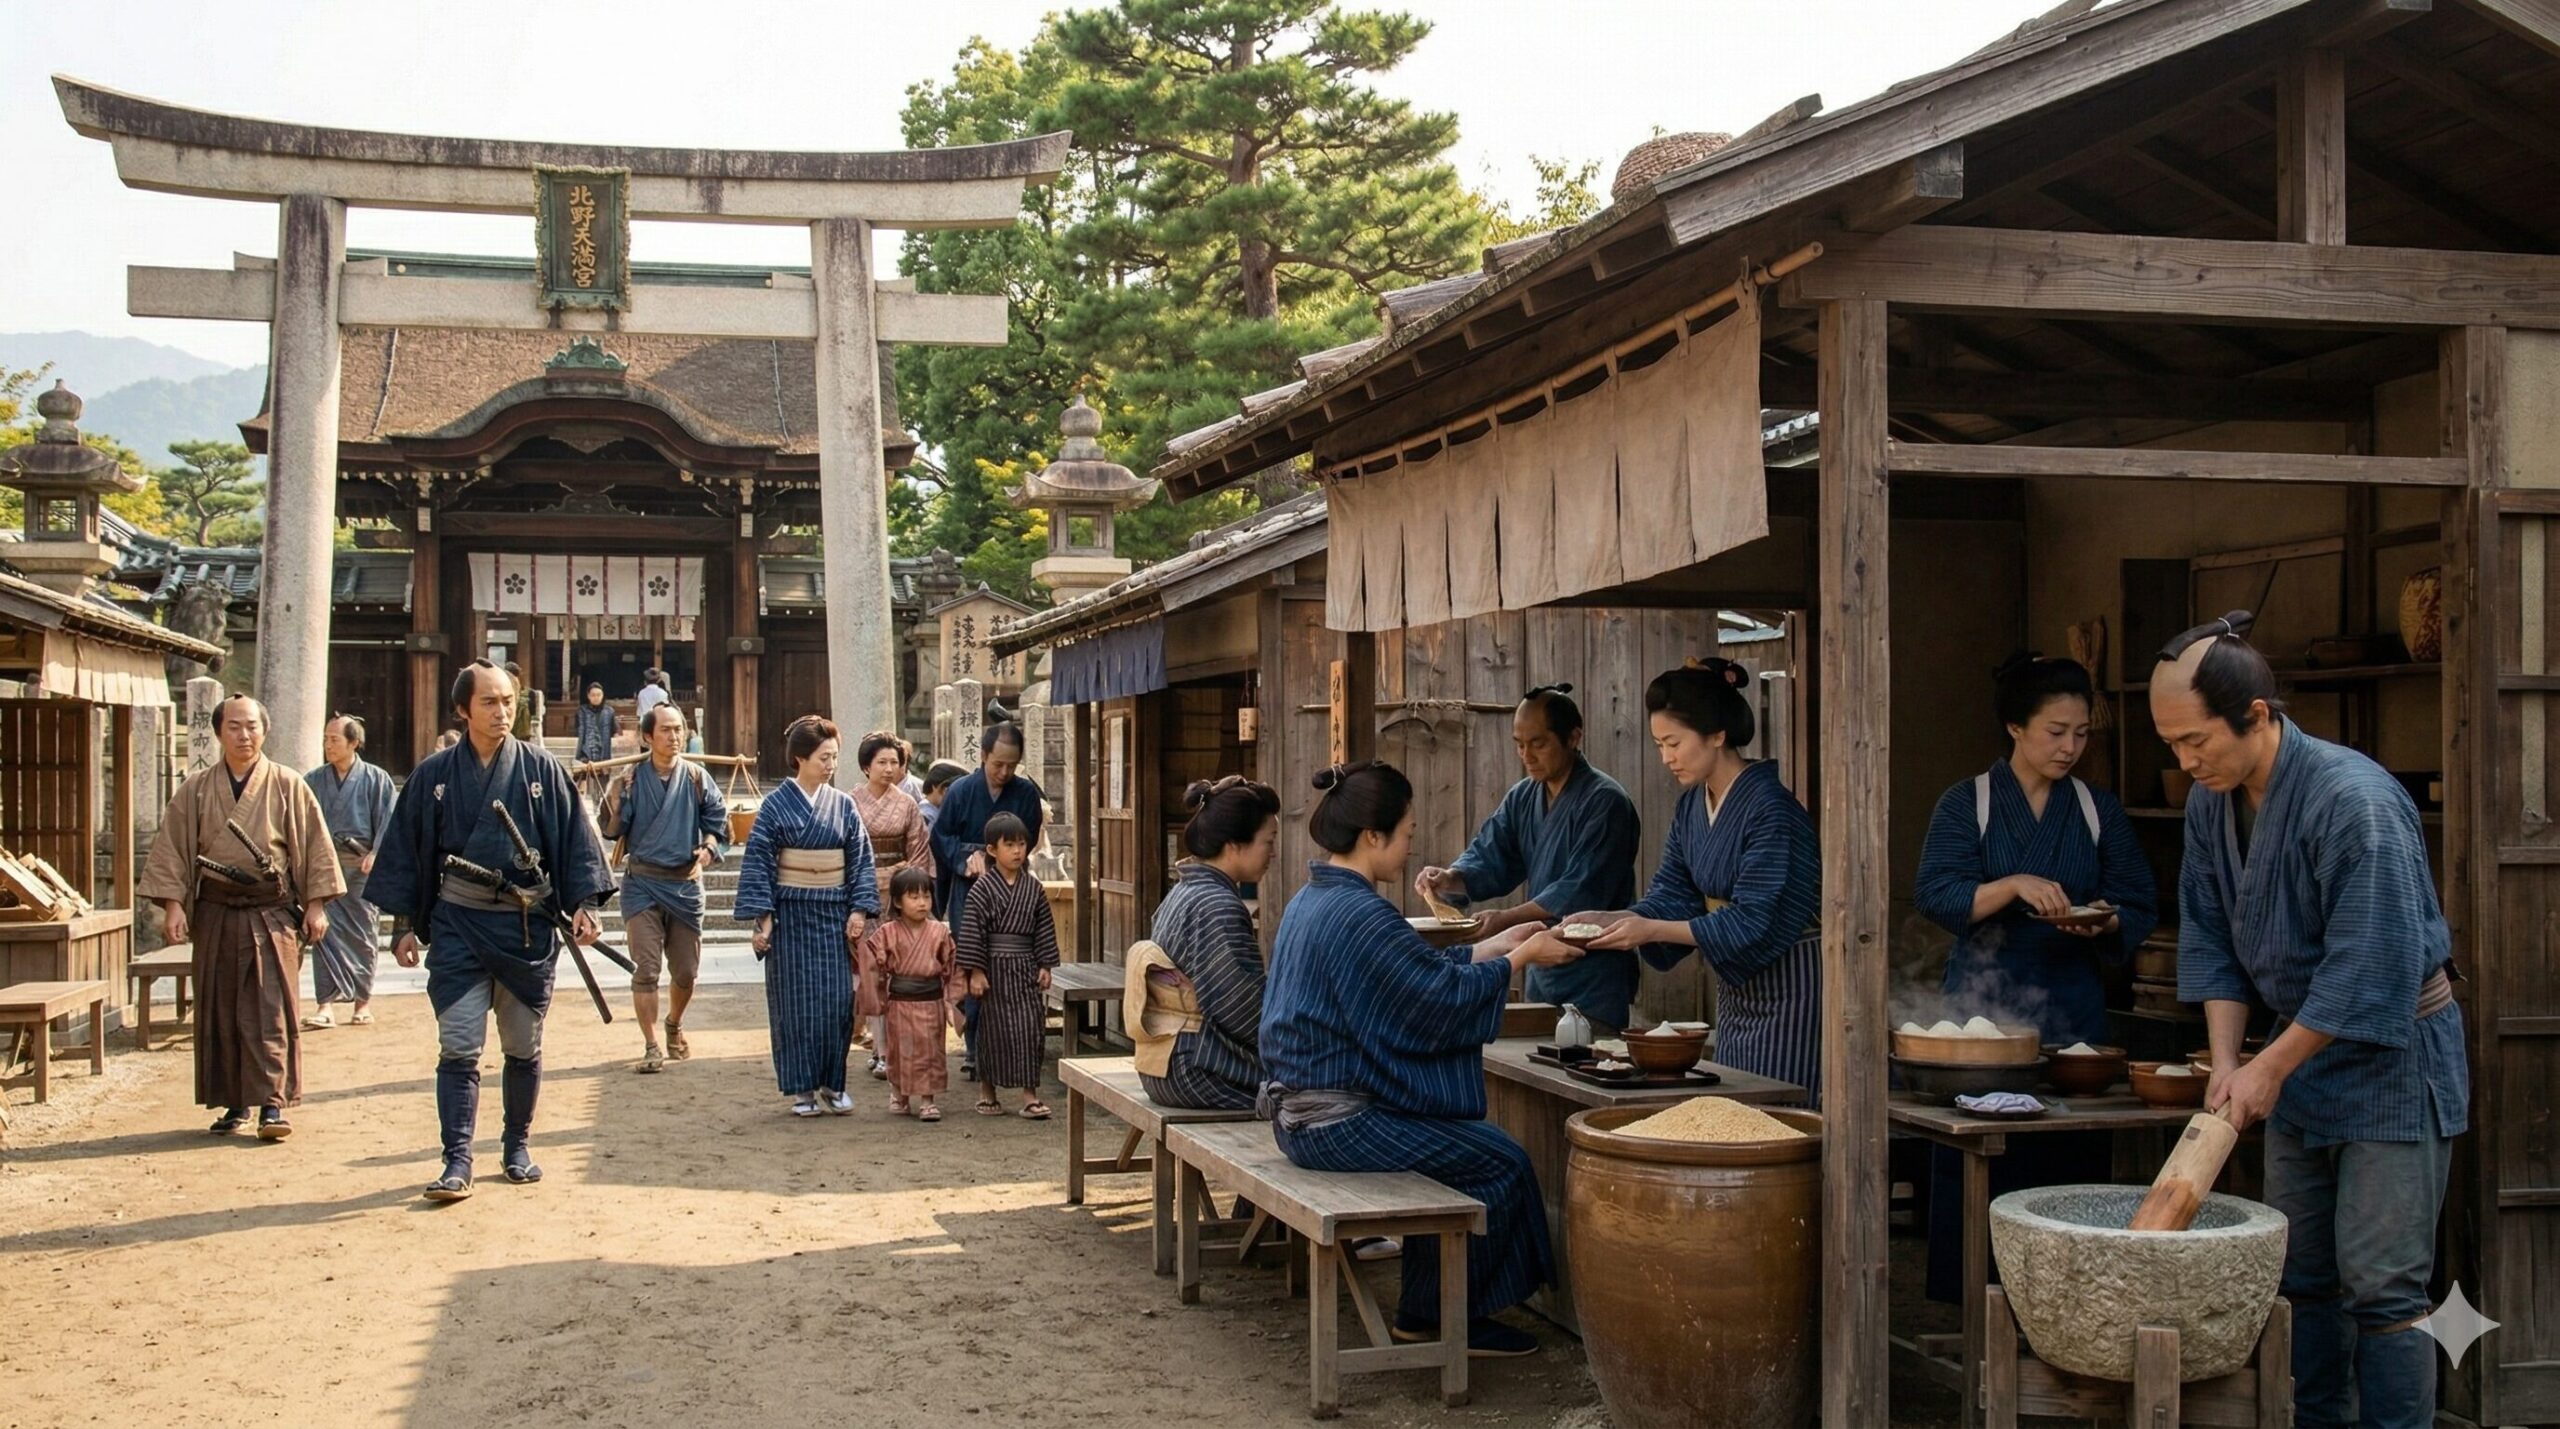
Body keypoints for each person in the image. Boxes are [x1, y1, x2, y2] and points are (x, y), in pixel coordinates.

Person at [2155, 612, 2465, 1429]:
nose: (2186, 763)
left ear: (2258, 715)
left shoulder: (2352, 799)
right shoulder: (2208, 805)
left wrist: (2268, 1066)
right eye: (2173, 747)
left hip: (2392, 1057)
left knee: (2384, 1283)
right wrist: (2228, 1059)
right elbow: (2211, 932)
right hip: (2294, 1055)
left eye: (2197, 742)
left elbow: (2369, 963)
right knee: (2300, 1274)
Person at [1259, 760, 1585, 1356]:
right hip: (1334, 1123)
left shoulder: (1316, 899)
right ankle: (1439, 1316)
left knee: (1462, 1148)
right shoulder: (1359, 912)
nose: (1412, 846)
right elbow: (1433, 999)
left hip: (1303, 1114)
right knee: (1501, 1162)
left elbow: (1414, 975)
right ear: (1373, 836)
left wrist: (1499, 944)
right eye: (1407, 832)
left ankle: (1424, 1309)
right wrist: (1522, 959)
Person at [1913, 652, 2159, 1302]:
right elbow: (1937, 891)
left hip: (2072, 1002)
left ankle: (2070, 1302)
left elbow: (2137, 897)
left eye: (2082, 733)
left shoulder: (2096, 808)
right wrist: (2012, 884)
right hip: (1983, 1008)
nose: (2071, 746)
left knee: (2068, 1155)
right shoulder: (1970, 802)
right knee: (1986, 1158)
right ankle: (1979, 1302)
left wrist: (2104, 921)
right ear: (2016, 727)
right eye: (2057, 731)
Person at [373, 661, 614, 1201]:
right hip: (457, 922)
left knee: (522, 1044)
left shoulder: (540, 769)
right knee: (459, 1043)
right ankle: (456, 1159)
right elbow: (410, 853)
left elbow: (573, 838)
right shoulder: (434, 776)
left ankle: (516, 1145)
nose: (502, 711)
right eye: (489, 702)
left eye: (508, 701)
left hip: (524, 928)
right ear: (462, 709)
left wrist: (583, 903)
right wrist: (406, 924)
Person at [1568, 659, 1823, 1097]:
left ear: (1717, 734)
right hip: (1739, 992)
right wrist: (1614, 919)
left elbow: (1753, 919)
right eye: (1659, 744)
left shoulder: (1771, 809)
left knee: (1783, 1111)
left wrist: (1649, 928)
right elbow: (1671, 895)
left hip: (1793, 986)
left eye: (1674, 743)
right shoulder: (1691, 808)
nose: (1666, 758)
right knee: (1735, 1106)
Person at [140, 695, 343, 1140]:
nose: (244, 735)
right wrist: (173, 904)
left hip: (270, 911)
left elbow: (313, 845)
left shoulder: (288, 784)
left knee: (271, 1008)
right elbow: (174, 847)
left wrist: (316, 904)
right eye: (234, 726)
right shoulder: (195, 788)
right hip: (215, 911)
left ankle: (272, 1104)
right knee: (221, 1007)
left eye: (251, 726)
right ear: (218, 732)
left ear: (264, 731)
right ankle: (235, 1104)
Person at [1416, 683, 1643, 1031]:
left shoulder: (1605, 801)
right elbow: (1491, 855)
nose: (1527, 755)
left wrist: (1506, 919)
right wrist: (1450, 878)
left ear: (1573, 737)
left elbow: (1580, 888)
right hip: (1542, 971)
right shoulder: (1523, 797)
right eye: (1519, 745)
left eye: (1538, 743)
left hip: (1595, 974)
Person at [735, 716, 879, 1116]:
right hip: (790, 916)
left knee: (836, 1004)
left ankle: (833, 1084)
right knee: (795, 1006)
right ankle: (802, 1090)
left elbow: (860, 861)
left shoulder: (843, 805)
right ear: (800, 758)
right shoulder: (775, 807)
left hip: (832, 916)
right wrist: (763, 919)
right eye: (823, 757)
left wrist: (858, 908)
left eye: (834, 757)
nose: (830, 765)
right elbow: (759, 863)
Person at [1130, 777, 1280, 1111]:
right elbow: (1242, 1008)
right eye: (1268, 841)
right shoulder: (1217, 905)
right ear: (1234, 844)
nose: (1273, 852)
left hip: (1164, 1062)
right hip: (1196, 1068)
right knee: (1302, 1096)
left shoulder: (1187, 890)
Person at [596, 704, 729, 1073]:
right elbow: (611, 830)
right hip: (642, 883)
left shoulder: (698, 778)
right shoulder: (632, 778)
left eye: (679, 729)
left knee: (685, 972)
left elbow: (718, 824)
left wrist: (709, 847)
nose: (674, 736)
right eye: (666, 730)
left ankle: (674, 1022)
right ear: (647, 737)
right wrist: (616, 798)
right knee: (646, 969)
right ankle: (651, 1044)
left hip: (685, 884)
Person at [931, 725, 1045, 1079]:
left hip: (1012, 888)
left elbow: (1028, 838)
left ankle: (1006, 1047)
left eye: (1012, 765)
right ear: (982, 756)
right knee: (973, 959)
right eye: (998, 764)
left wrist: (1000, 856)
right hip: (971, 888)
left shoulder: (1025, 793)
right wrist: (966, 857)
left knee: (1009, 964)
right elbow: (941, 836)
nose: (1005, 772)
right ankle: (975, 1047)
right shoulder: (962, 790)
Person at [955, 812, 1058, 1119]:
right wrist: (975, 971)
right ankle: (988, 1092)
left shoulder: (1034, 889)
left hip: (1025, 968)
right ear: (991, 850)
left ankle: (1029, 1095)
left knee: (1030, 1029)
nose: (1017, 851)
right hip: (993, 970)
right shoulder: (983, 889)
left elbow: (1044, 929)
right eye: (1009, 844)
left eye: (1022, 844)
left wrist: (1045, 965)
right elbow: (972, 930)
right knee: (992, 1031)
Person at [851, 731, 936, 1080]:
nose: (889, 769)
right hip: (862, 894)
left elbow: (918, 853)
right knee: (870, 971)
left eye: (895, 762)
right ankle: (881, 1049)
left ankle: (891, 1046)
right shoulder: (850, 802)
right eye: (881, 762)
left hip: (899, 896)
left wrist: (903, 886)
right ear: (865, 766)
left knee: (897, 972)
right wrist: (872, 879)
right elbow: (847, 852)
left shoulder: (907, 805)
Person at [303, 714, 397, 1029]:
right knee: (323, 934)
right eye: (326, 739)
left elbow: (388, 821)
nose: (328, 745)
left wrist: (376, 853)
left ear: (353, 742)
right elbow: (304, 825)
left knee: (363, 935)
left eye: (334, 739)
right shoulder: (313, 780)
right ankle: (325, 1005)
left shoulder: (376, 779)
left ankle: (362, 1003)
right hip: (326, 870)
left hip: (361, 869)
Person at [862, 866, 963, 1121]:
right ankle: (899, 1093)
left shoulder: (940, 931)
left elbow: (953, 967)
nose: (922, 903)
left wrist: (952, 1001)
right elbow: (872, 962)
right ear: (897, 901)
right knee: (900, 1050)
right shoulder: (887, 932)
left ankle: (928, 1100)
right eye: (914, 897)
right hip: (900, 1002)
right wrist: (877, 995)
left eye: (926, 896)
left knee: (931, 1050)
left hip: (931, 1001)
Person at [574, 683, 615, 765]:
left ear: (602, 695)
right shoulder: (582, 711)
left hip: (604, 755)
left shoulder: (609, 711)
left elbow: (614, 730)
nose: (596, 698)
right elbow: (580, 732)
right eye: (593, 695)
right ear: (588, 696)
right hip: (586, 755)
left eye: (598, 695)